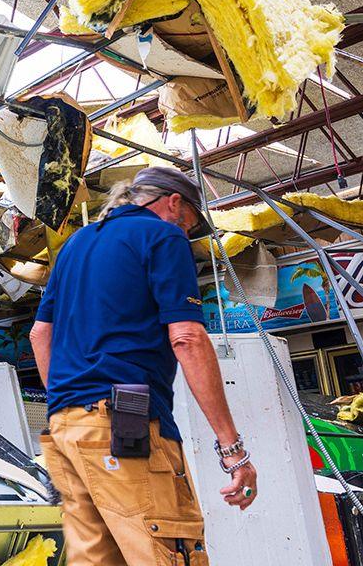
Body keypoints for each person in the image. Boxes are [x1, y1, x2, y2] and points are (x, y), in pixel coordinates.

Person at [30, 166, 257, 566]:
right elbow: (187, 337)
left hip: (65, 432)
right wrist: (231, 448)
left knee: (99, 558)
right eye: (187, 224)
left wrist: (69, 409)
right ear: (172, 203)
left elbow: (40, 336)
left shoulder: (75, 244)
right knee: (167, 549)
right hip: (126, 416)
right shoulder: (163, 235)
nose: (184, 234)